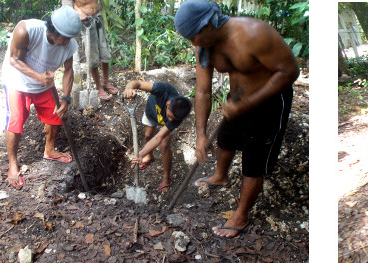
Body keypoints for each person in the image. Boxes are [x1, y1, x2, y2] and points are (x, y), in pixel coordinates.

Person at [174, 0, 299, 238]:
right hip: (237, 99)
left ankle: (241, 216)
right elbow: (202, 91)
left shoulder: (255, 33)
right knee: (226, 138)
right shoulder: (204, 45)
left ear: (209, 24)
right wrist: (200, 134)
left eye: (194, 37)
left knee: (253, 161)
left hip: (267, 102)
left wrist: (248, 104)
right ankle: (221, 177)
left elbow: (290, 71)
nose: (192, 43)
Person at [1, 7, 82, 188]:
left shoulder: (69, 46)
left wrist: (66, 98)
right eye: (66, 37)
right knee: (15, 120)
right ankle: (12, 164)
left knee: (55, 116)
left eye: (71, 38)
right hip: (17, 81)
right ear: (53, 30)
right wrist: (38, 76)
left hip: (44, 84)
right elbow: (14, 59)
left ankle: (50, 150)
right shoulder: (26, 31)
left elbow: (69, 71)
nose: (68, 42)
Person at [123, 80, 192, 192]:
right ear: (168, 105)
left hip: (162, 121)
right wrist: (129, 88)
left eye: (173, 119)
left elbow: (159, 137)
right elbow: (137, 83)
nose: (170, 120)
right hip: (152, 112)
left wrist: (140, 154)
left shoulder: (177, 117)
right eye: (170, 116)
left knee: (164, 145)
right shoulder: (162, 89)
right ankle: (149, 156)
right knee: (148, 135)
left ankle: (166, 177)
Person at [63, 0, 118, 100]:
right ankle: (98, 87)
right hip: (86, 20)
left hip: (98, 16)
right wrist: (79, 11)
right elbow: (67, 4)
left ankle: (106, 82)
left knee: (105, 52)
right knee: (92, 55)